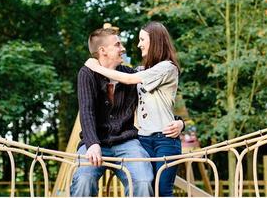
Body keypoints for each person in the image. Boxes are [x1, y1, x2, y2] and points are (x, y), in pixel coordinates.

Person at [71, 27, 183, 197]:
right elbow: (86, 111)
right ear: (103, 51)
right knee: (83, 181)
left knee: (144, 181)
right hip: (94, 141)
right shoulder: (87, 74)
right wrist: (92, 143)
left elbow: (157, 102)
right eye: (118, 44)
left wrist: (180, 121)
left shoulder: (131, 75)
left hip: (126, 142)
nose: (123, 48)